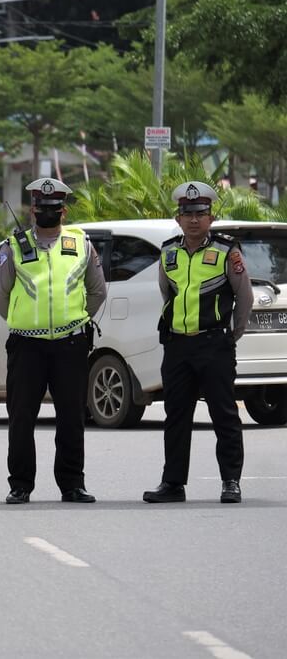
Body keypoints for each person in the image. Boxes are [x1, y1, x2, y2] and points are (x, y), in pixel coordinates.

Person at [0, 178, 107, 504]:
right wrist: (25, 321)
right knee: (21, 417)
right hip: (26, 346)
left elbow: (98, 291)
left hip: (70, 344)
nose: (46, 213)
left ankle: (72, 485)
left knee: (71, 416)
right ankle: (20, 485)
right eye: (41, 208)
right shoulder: (14, 246)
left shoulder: (80, 243)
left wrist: (77, 320)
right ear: (32, 210)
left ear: (63, 211)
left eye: (53, 209)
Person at [143, 181, 253, 504]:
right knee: (176, 416)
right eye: (188, 214)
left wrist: (230, 336)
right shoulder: (169, 252)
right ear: (178, 218)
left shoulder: (226, 251)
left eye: (201, 214)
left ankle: (231, 481)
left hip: (214, 345)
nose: (194, 220)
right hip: (177, 347)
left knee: (223, 414)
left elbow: (244, 298)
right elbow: (167, 294)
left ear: (211, 217)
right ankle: (173, 483)